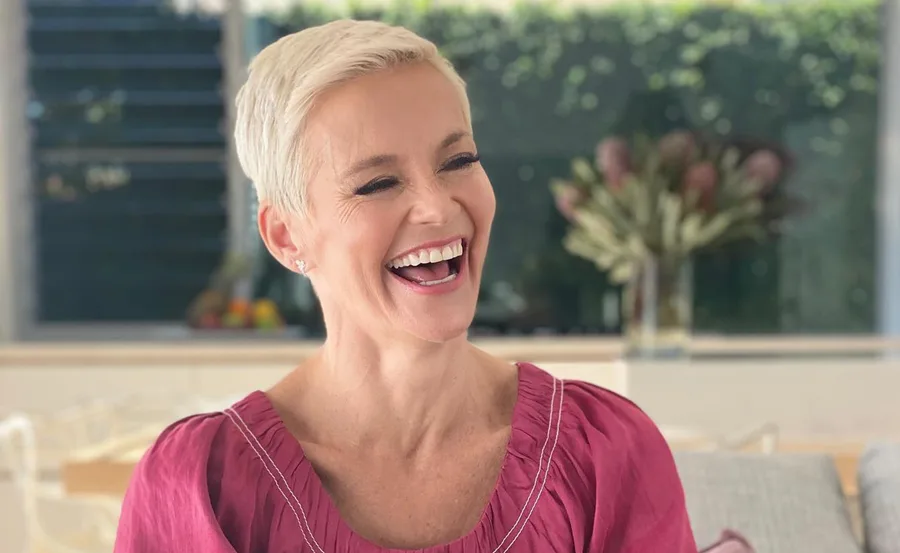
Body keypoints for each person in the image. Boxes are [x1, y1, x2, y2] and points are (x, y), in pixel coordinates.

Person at [114, 19, 697, 553]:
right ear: (287, 236)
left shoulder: (604, 455)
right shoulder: (204, 486)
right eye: (378, 183)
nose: (438, 208)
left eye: (457, 160)